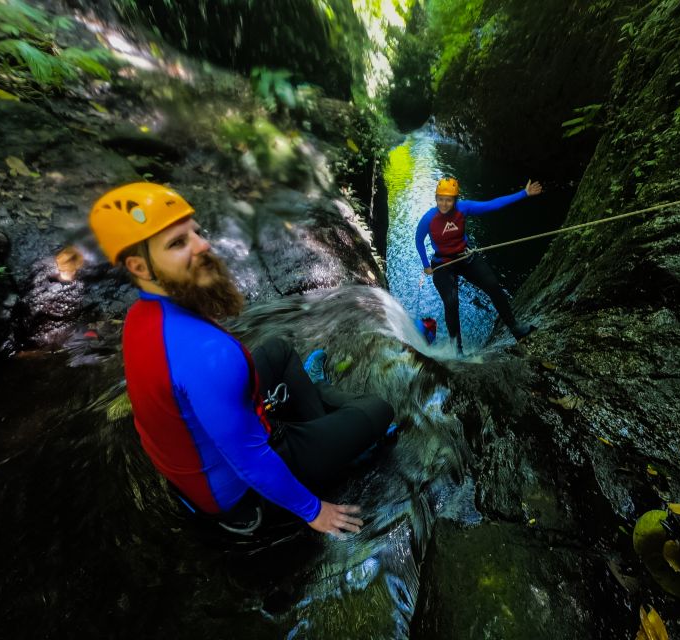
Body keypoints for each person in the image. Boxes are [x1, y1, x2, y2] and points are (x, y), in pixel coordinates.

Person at [89, 182, 394, 537]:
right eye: (177, 243)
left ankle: (323, 426)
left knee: (278, 349)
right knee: (379, 409)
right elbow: (250, 458)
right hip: (235, 489)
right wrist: (313, 510)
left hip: (193, 462)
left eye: (196, 233)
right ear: (139, 266)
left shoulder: (141, 317)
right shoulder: (210, 356)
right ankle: (325, 412)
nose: (203, 245)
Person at [415, 176, 543, 354]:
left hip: (464, 257)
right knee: (451, 302)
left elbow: (492, 205)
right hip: (443, 264)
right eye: (440, 199)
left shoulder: (463, 208)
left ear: (455, 199)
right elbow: (418, 240)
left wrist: (524, 193)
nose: (444, 204)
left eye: (449, 200)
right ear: (436, 198)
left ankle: (515, 328)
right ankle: (456, 350)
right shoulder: (429, 218)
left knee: (492, 285)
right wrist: (425, 264)